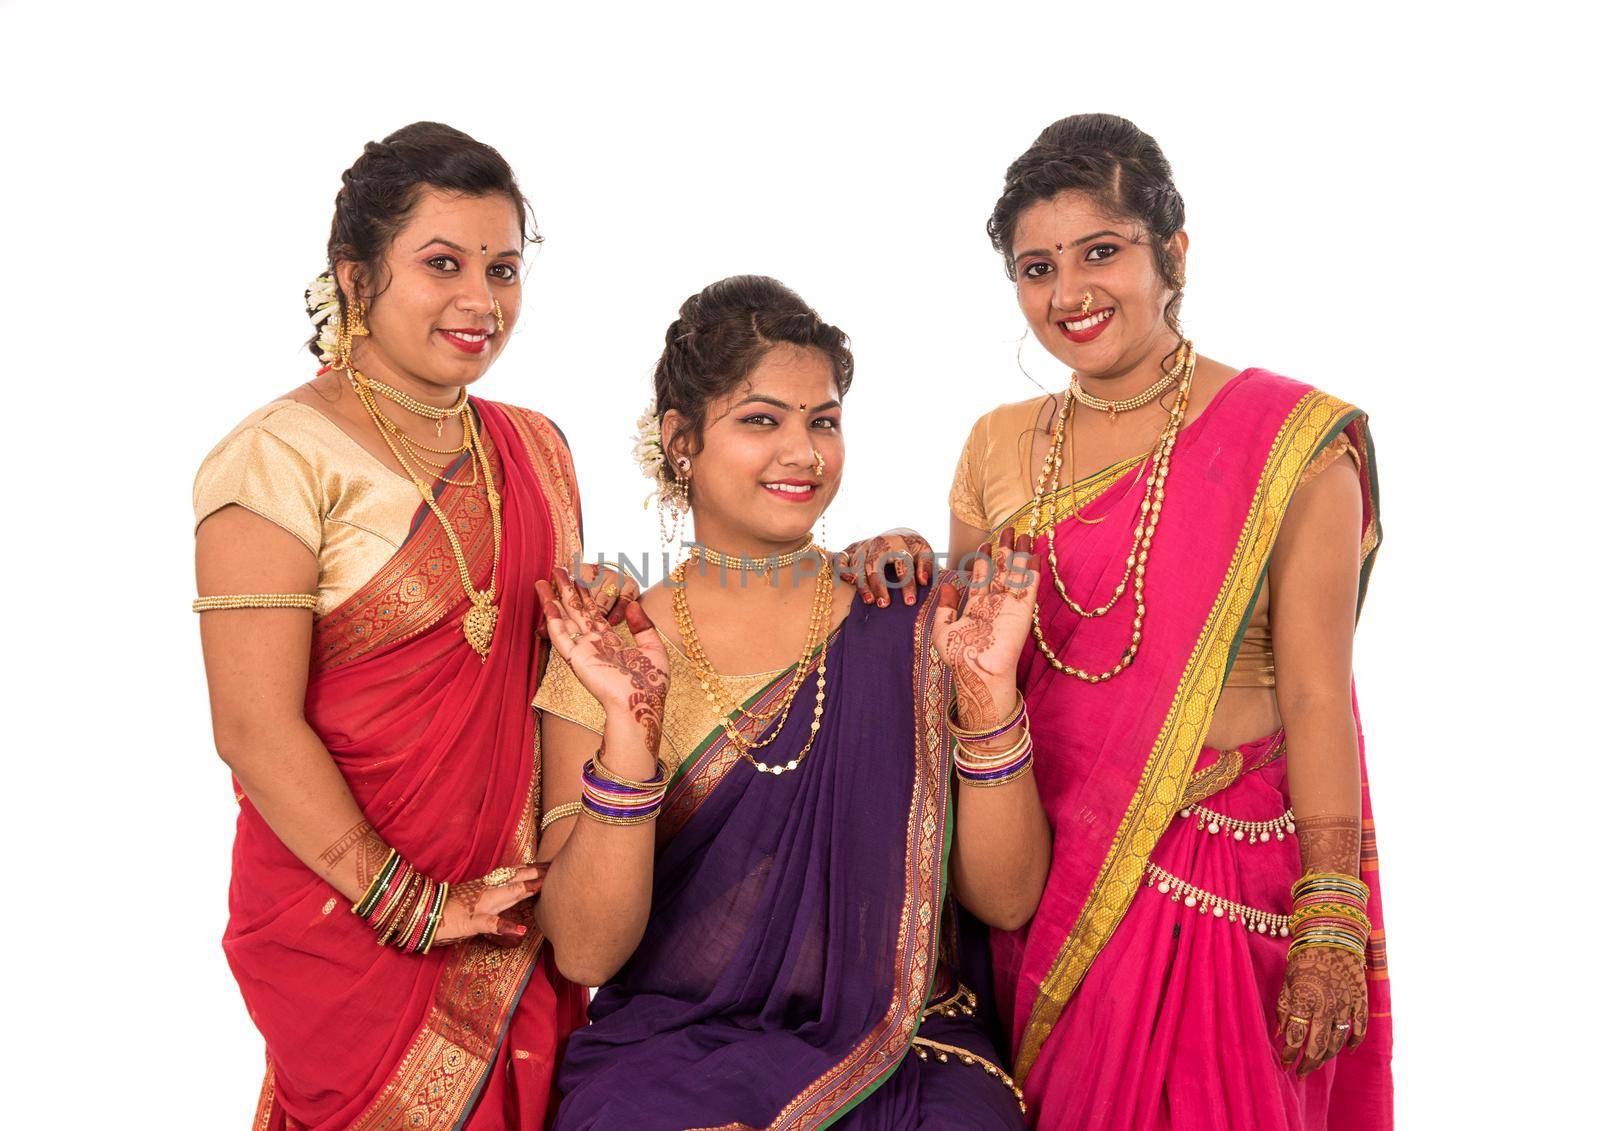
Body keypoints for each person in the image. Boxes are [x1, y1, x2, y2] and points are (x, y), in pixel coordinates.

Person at [948, 114, 1392, 1129]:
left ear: (1172, 254)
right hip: (1039, 872)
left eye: (1100, 251)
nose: (1068, 295)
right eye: (1035, 267)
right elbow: (968, 672)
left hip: (1220, 881)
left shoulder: (1292, 445)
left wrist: (1331, 917)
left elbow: (1320, 690)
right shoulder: (995, 446)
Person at [531, 276, 1051, 1128]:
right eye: (761, 419)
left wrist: (989, 697)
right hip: (673, 1048)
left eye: (824, 420)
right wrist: (630, 732)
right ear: (681, 440)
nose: (804, 452)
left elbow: (1005, 899)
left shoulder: (908, 616)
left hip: (904, 1045)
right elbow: (588, 948)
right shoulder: (611, 650)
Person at [191, 122, 626, 1129]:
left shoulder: (535, 447)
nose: (482, 301)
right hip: (342, 923)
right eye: (443, 264)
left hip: (513, 912)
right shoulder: (274, 460)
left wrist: (595, 624)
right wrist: (409, 904)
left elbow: (532, 678)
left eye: (504, 268)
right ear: (354, 276)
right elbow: (251, 727)